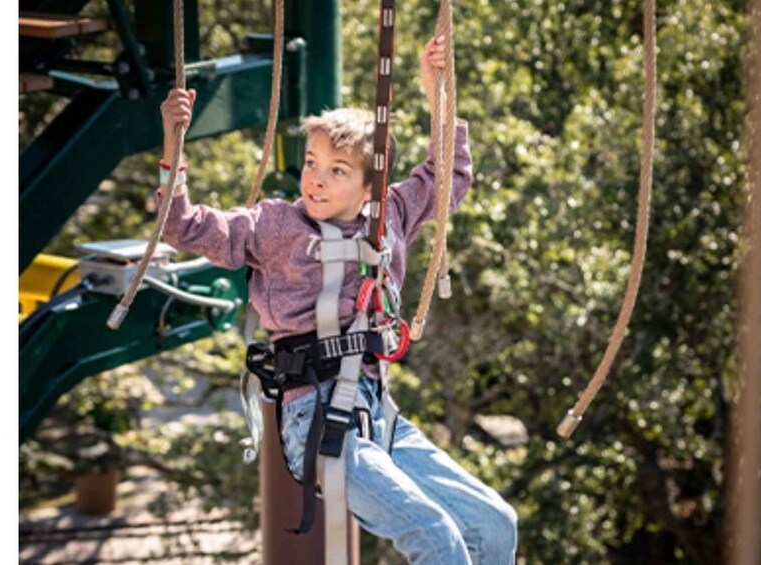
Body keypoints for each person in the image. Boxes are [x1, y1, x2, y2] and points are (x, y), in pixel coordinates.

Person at [155, 35, 518, 564]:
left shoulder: (389, 216)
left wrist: (436, 93)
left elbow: (448, 178)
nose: (315, 180)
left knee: (494, 523)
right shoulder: (276, 225)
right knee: (435, 535)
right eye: (311, 163)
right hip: (317, 418)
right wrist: (173, 147)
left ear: (372, 188)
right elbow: (184, 225)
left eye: (337, 171)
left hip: (376, 414)